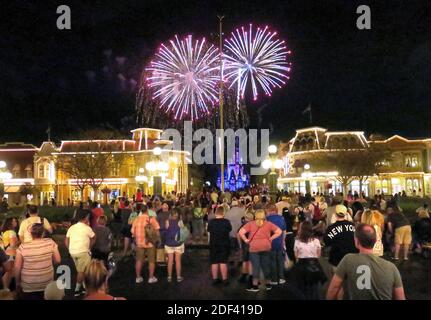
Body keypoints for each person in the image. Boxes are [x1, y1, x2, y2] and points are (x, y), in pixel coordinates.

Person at [327, 224, 405, 300]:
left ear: (357, 242)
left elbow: (334, 288)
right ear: (375, 241)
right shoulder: (392, 268)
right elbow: (400, 297)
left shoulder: (348, 259)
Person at [238, 209, 282, 292]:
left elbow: (241, 232)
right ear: (264, 216)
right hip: (266, 247)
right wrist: (271, 238)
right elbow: (279, 231)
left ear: (255, 216)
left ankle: (255, 286)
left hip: (254, 248)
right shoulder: (268, 224)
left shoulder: (250, 224)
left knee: (255, 267)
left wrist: (245, 240)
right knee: (266, 266)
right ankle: (268, 284)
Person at [14, 223, 61, 300]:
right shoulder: (50, 242)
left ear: (30, 234)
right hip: (47, 283)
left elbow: (17, 267)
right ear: (43, 233)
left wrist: (17, 283)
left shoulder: (23, 247)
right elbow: (58, 260)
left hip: (28, 286)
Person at [65, 209, 96, 297]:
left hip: (73, 252)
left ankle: (84, 287)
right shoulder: (87, 228)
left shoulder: (72, 227)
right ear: (86, 218)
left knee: (81, 269)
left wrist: (70, 249)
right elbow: (94, 237)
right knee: (82, 271)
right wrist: (89, 247)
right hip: (83, 252)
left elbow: (66, 240)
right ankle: (77, 290)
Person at [292, 221, 326, 299]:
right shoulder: (316, 241)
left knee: (302, 288)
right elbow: (319, 254)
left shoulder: (297, 241)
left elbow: (296, 255)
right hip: (313, 265)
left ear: (301, 229)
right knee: (315, 288)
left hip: (301, 265)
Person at [131, 205, 160, 284]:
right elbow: (157, 229)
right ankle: (151, 278)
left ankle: (138, 277)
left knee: (139, 260)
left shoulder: (136, 219)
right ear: (147, 210)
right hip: (150, 243)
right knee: (151, 261)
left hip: (139, 243)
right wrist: (157, 239)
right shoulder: (151, 219)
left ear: (140, 211)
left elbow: (132, 232)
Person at [207, 206, 232, 286]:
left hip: (213, 244)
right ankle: (225, 279)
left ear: (216, 212)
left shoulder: (211, 222)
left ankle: (215, 279)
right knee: (223, 262)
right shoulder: (226, 222)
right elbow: (229, 230)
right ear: (223, 213)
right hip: (224, 244)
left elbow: (209, 232)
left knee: (214, 262)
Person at [265, 204, 287, 285]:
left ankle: (274, 279)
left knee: (272, 261)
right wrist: (283, 241)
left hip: (270, 243)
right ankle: (281, 278)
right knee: (280, 260)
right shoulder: (282, 218)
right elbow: (284, 231)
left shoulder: (267, 219)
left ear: (269, 210)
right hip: (280, 242)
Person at [164, 208, 184, 282]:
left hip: (169, 243)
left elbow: (166, 229)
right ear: (177, 214)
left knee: (170, 260)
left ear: (170, 214)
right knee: (178, 261)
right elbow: (183, 231)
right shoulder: (180, 221)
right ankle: (178, 277)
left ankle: (169, 277)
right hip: (178, 243)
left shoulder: (167, 221)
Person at [224, 199, 246, 266]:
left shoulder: (228, 212)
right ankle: (240, 259)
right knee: (240, 247)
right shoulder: (241, 211)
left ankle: (231, 259)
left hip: (231, 233)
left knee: (232, 248)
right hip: (239, 233)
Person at [237, 211, 254, 287]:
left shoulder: (243, 225)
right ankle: (251, 277)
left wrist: (240, 244)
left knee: (245, 261)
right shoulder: (254, 225)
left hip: (245, 245)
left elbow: (238, 234)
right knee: (251, 262)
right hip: (253, 245)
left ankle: (244, 275)